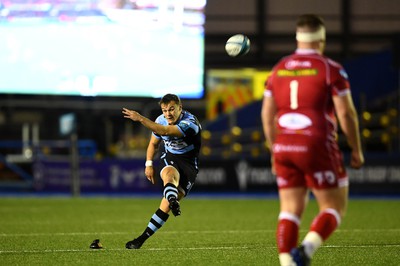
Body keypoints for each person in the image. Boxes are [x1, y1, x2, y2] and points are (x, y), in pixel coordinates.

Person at [261, 14, 364, 266]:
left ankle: (287, 264)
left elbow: (266, 113)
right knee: (333, 206)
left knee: (289, 210)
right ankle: (307, 248)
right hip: (316, 143)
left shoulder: (279, 68)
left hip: (284, 144)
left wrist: (275, 149)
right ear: (322, 39)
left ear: (297, 38)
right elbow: (346, 113)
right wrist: (356, 148)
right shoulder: (331, 68)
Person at [122, 93, 202, 249]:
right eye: (164, 110)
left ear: (180, 108)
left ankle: (170, 200)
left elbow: (165, 131)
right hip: (170, 157)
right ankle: (140, 240)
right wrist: (149, 164)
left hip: (189, 165)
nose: (168, 114)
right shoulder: (160, 120)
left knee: (164, 208)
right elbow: (153, 144)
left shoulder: (190, 123)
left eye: (172, 109)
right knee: (169, 175)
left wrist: (140, 118)